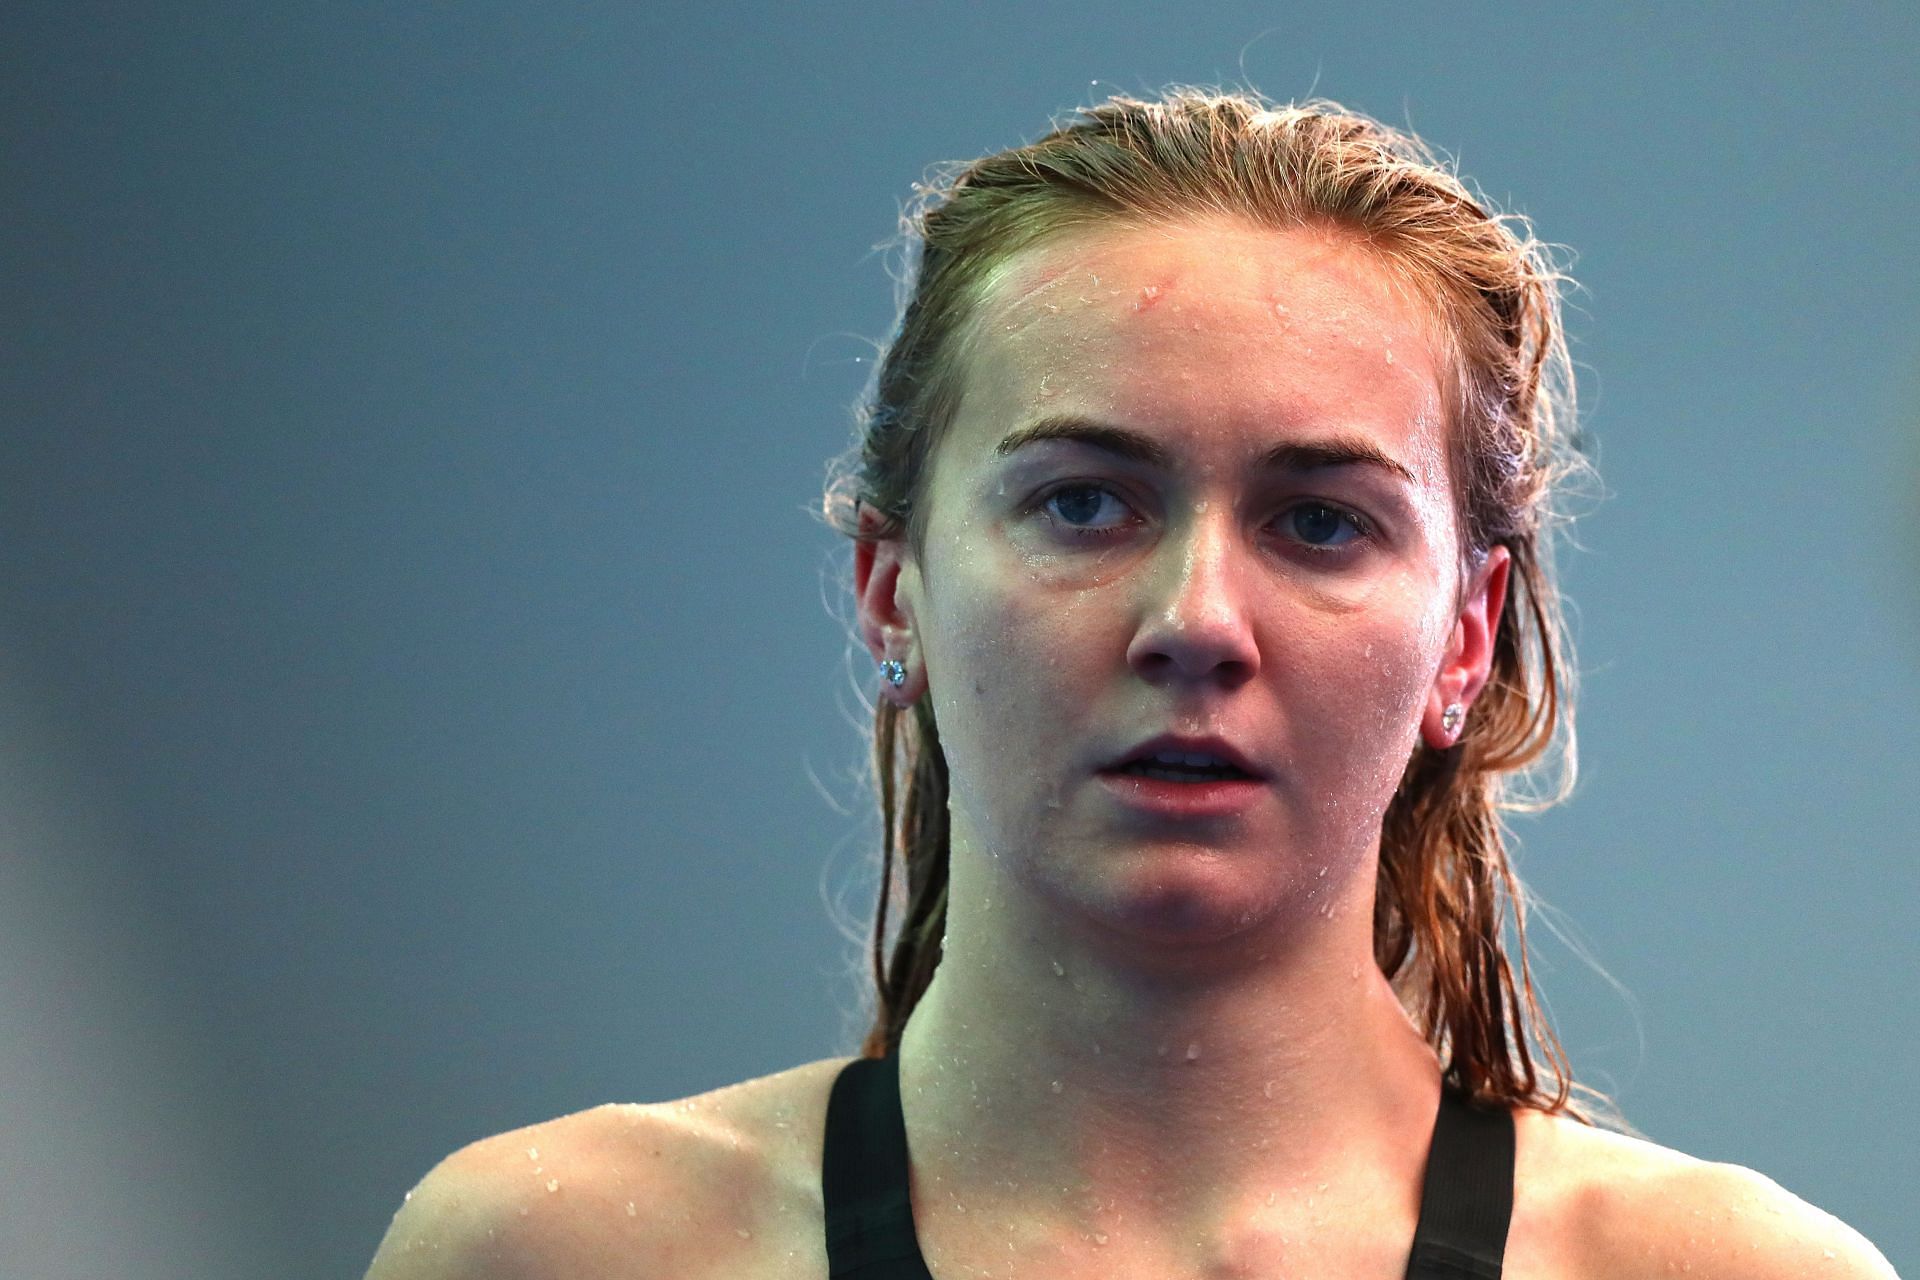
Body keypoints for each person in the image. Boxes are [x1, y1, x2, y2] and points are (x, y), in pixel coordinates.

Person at [365, 88, 1897, 1279]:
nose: (1197, 620)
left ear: (1466, 636)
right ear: (891, 584)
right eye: (1086, 503)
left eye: (1318, 522)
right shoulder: (558, 1253)